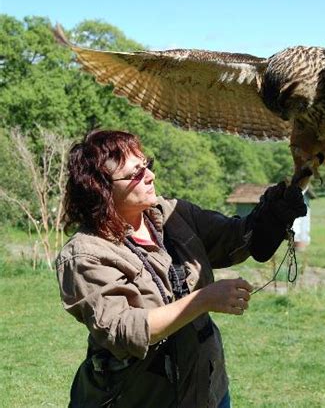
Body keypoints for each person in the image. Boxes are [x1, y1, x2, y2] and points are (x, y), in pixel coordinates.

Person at [56, 129, 307, 408]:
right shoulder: (86, 254)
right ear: (100, 188)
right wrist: (204, 299)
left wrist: (274, 211)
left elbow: (234, 238)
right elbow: (124, 331)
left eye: (146, 165)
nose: (149, 176)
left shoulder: (174, 214)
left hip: (207, 388)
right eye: (134, 174)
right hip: (138, 397)